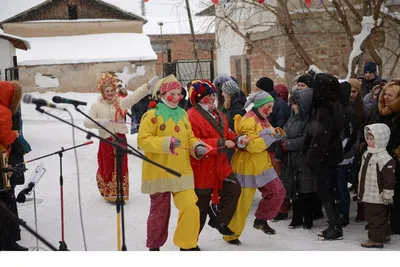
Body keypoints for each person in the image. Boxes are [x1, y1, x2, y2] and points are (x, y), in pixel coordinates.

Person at [137, 74, 207, 251]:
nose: (177, 98)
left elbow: (189, 137)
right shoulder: (151, 115)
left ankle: (187, 244)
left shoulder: (183, 114)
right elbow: (142, 141)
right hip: (159, 171)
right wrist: (165, 143)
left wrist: (197, 145)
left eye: (179, 94)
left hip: (182, 171)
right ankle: (154, 247)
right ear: (161, 94)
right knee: (160, 213)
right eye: (172, 94)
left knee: (191, 206)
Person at [84, 72, 159, 203]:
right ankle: (108, 191)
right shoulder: (96, 106)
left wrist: (148, 86)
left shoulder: (121, 103)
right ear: (102, 91)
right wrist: (100, 122)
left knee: (121, 166)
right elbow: (86, 122)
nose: (110, 93)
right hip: (106, 140)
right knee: (107, 167)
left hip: (120, 139)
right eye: (107, 90)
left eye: (112, 90)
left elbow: (135, 96)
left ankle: (119, 195)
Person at [187, 79, 248, 238]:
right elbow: (194, 141)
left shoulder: (219, 113)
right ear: (199, 98)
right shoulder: (191, 116)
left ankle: (218, 219)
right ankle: (190, 243)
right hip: (202, 169)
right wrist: (221, 142)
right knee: (200, 207)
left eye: (213, 94)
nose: (213, 97)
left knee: (234, 189)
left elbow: (227, 134)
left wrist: (238, 139)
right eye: (208, 95)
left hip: (221, 166)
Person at [223, 91, 286, 245]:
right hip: (247, 166)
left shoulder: (263, 119)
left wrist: (275, 134)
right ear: (258, 106)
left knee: (278, 191)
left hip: (263, 164)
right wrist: (271, 136)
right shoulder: (248, 122)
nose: (270, 111)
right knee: (242, 203)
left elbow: (265, 138)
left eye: (272, 107)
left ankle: (261, 219)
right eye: (268, 107)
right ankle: (231, 234)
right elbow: (253, 147)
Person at [304, 73, 344, 241]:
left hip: (324, 157)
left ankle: (335, 226)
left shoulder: (325, 108)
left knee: (324, 190)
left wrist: (311, 158)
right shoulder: (335, 104)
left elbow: (320, 137)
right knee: (331, 189)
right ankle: (335, 223)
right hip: (332, 154)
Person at [280, 86, 315, 229]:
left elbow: (305, 140)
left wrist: (287, 143)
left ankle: (308, 218)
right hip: (291, 159)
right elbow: (285, 130)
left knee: (305, 190)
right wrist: (285, 140)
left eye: (295, 103)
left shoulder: (309, 120)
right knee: (294, 189)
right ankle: (296, 217)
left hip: (304, 160)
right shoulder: (293, 117)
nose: (292, 106)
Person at [0, 80, 28, 251]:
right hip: (3, 159)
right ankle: (8, 242)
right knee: (6, 197)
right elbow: (5, 135)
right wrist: (15, 137)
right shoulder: (4, 111)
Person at [358, 123, 396, 248]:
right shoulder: (367, 154)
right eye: (367, 138)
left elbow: (389, 179)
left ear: (381, 139)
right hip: (368, 192)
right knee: (377, 216)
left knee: (375, 218)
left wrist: (387, 193)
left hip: (378, 195)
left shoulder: (384, 158)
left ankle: (376, 239)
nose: (369, 141)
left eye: (372, 139)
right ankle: (384, 235)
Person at [376, 80, 400, 234]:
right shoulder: (382, 112)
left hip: (395, 158)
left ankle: (396, 224)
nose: (385, 97)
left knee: (397, 193)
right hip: (385, 157)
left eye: (390, 95)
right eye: (384, 93)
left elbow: (393, 137)